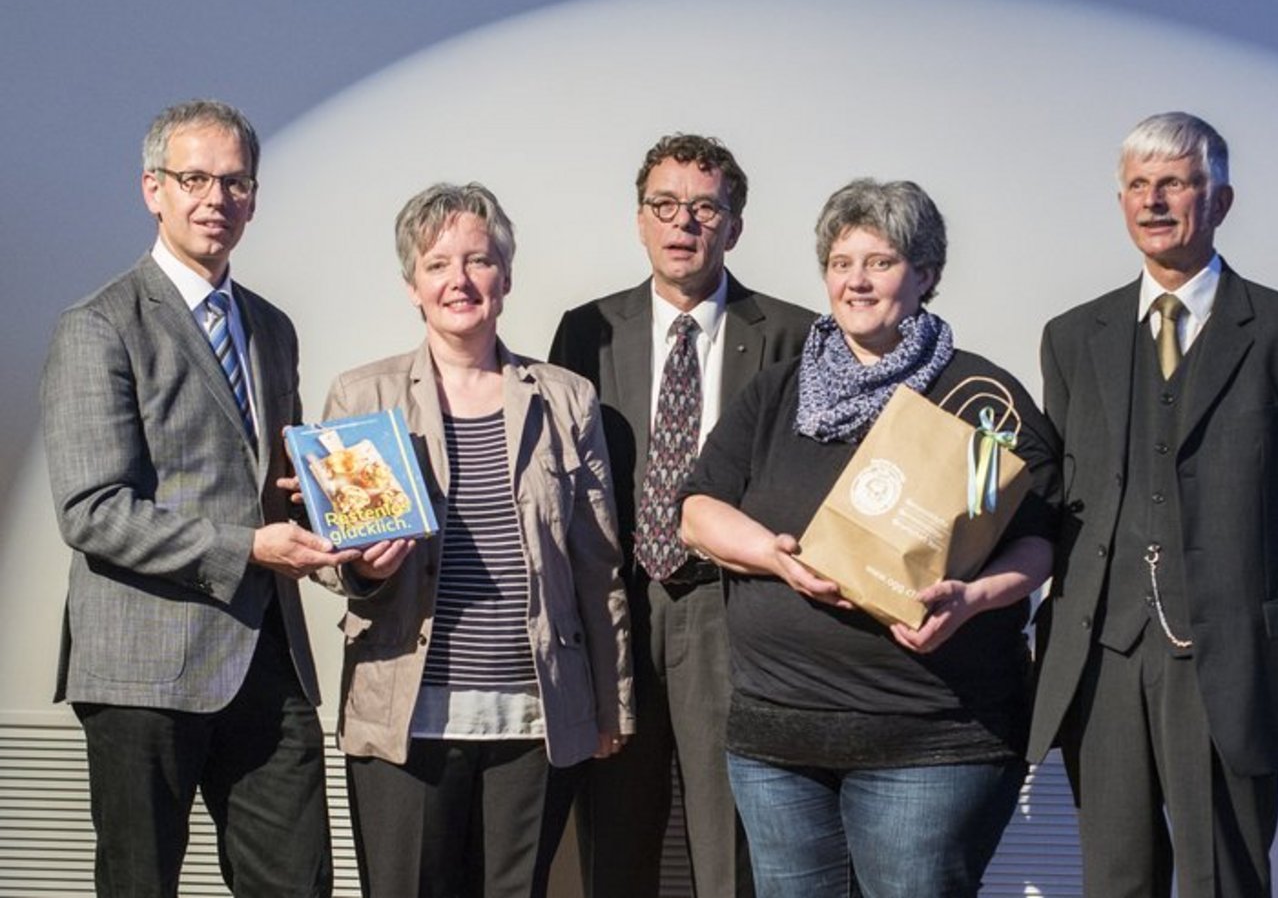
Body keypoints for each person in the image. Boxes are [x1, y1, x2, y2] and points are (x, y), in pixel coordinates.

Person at [679, 178, 1059, 897]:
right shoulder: (776, 390)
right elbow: (698, 510)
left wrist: (974, 598)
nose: (856, 281)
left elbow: (1039, 544)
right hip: (776, 742)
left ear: (925, 275)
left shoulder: (981, 399)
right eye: (840, 261)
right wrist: (775, 557)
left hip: (931, 743)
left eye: (879, 262)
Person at [1027, 112, 1278, 897]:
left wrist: (1267, 631)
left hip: (1229, 662)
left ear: (1220, 200)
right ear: (1120, 203)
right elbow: (1061, 495)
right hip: (1102, 659)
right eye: (1138, 186)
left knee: (1226, 881)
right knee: (1115, 879)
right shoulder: (1074, 337)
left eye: (1174, 182)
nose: (1153, 201)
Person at [39, 99, 342, 897]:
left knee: (298, 884)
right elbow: (92, 510)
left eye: (236, 181)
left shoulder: (272, 328)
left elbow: (273, 482)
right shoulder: (98, 326)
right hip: (144, 668)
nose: (217, 198)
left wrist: (337, 513)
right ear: (153, 189)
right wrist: (245, 546)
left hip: (267, 657)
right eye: (195, 178)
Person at [313, 182, 633, 898]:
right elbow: (335, 564)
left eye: (479, 261)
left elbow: (597, 567)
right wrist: (361, 568)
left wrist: (612, 705)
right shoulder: (361, 398)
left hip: (535, 716)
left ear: (507, 277)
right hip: (403, 718)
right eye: (437, 264)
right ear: (411, 286)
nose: (459, 280)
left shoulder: (565, 398)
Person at [549, 133, 815, 897]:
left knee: (729, 839)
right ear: (639, 220)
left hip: (732, 608)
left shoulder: (791, 335)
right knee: (615, 837)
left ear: (734, 226)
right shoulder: (586, 329)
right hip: (616, 612)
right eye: (664, 205)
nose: (683, 223)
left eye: (704, 208)